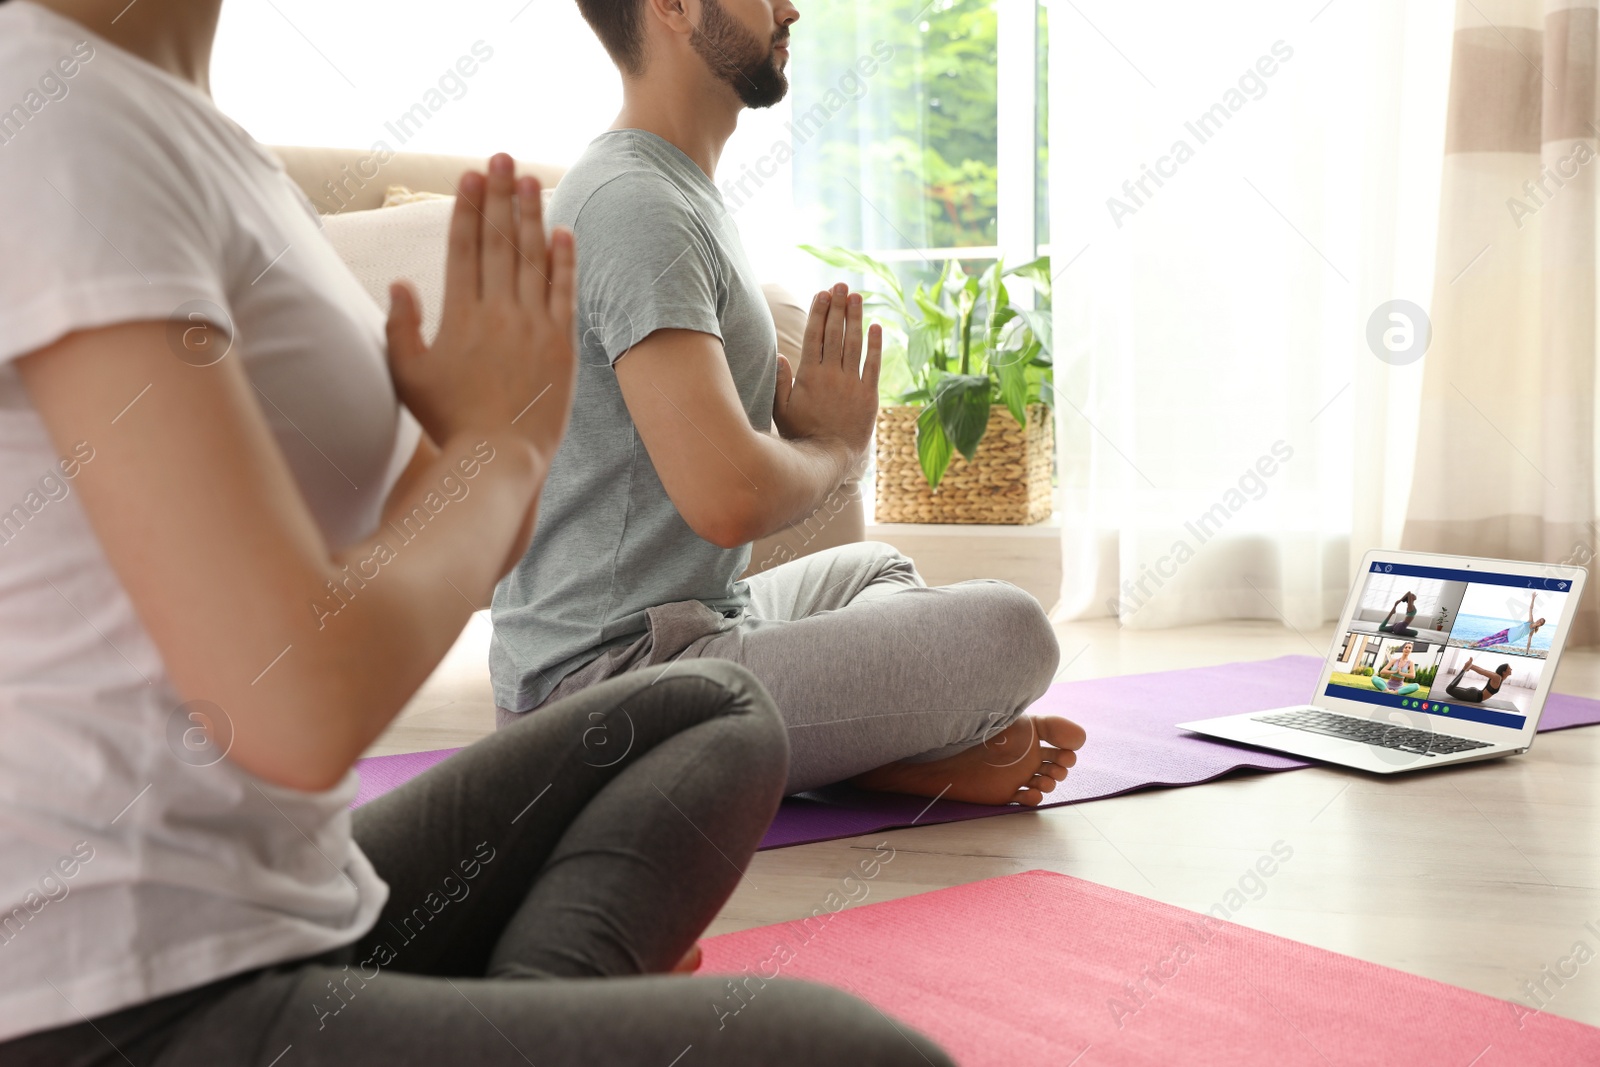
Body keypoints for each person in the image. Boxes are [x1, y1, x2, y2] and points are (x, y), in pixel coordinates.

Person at [0, 2, 952, 1063]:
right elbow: (294, 703)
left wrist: (471, 444)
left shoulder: (192, 130)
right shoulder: (61, 117)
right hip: (114, 991)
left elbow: (378, 574)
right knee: (858, 1053)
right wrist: (491, 452)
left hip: (286, 895)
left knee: (710, 712)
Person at [489, 0, 1081, 807]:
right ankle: (883, 751)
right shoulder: (636, 207)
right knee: (1014, 630)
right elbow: (727, 498)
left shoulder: (669, 188)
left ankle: (872, 753)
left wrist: (816, 440)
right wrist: (837, 449)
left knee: (876, 568)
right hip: (601, 696)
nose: (789, 8)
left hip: (693, 625)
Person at [1471, 595, 1546, 654]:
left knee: (1493, 642)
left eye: (1541, 622)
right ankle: (1476, 642)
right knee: (1492, 637)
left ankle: (1478, 646)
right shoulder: (1530, 620)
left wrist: (1527, 651)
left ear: (1540, 625)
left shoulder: (1532, 631)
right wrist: (1533, 598)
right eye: (1540, 619)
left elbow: (1529, 641)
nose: (1539, 621)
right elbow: (1530, 609)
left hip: (1510, 638)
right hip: (1509, 630)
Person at [1443, 657, 1510, 705]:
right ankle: (1464, 669)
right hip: (1475, 696)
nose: (1511, 669)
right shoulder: (1497, 678)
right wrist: (1470, 666)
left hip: (1475, 694)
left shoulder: (1499, 678)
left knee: (1451, 689)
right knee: (1449, 690)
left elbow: (1484, 671)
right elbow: (1483, 671)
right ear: (1504, 672)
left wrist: (1471, 666)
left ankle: (1467, 667)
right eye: (1509, 668)